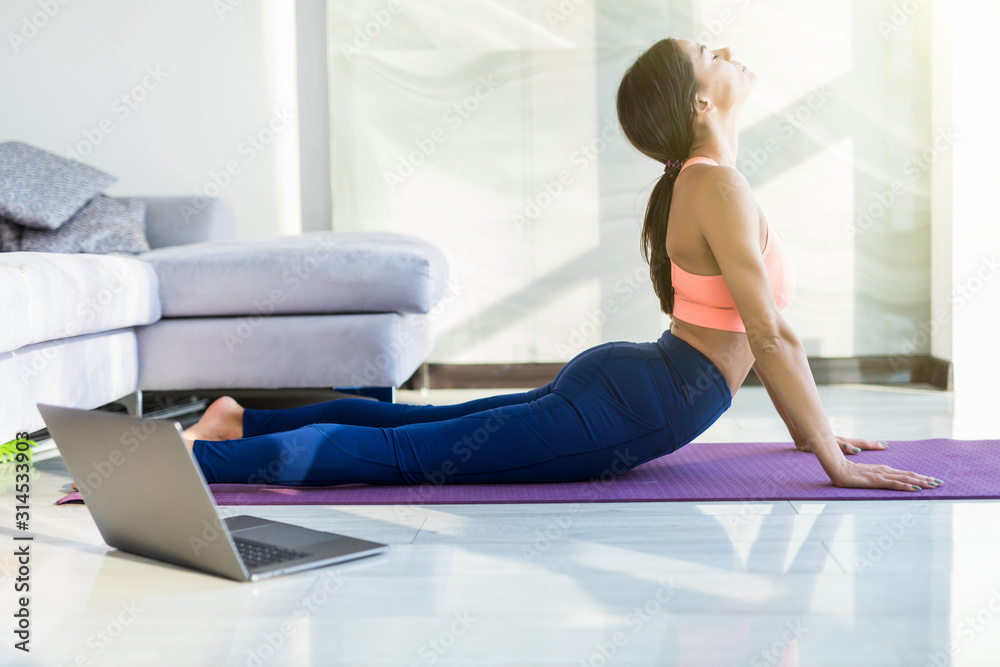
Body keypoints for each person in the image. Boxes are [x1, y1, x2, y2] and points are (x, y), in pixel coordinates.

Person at [180, 37, 942, 492]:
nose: (726, 52)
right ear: (700, 104)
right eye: (709, 55)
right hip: (640, 401)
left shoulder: (700, 180)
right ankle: (200, 464)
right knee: (413, 450)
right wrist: (833, 461)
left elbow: (773, 335)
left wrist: (818, 435)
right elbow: (769, 336)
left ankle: (237, 419)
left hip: (639, 380)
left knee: (426, 426)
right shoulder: (716, 185)